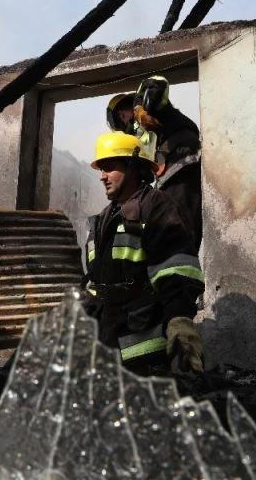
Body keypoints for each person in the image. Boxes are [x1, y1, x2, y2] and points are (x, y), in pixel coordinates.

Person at [84, 131, 204, 376]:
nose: (102, 176)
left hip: (145, 351)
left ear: (133, 167)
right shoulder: (105, 218)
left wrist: (179, 319)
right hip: (107, 345)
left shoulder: (158, 207)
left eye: (108, 167)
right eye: (100, 169)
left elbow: (177, 270)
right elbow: (95, 282)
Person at [133, 75, 202, 250]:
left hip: (181, 156)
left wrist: (150, 96)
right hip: (170, 166)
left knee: (179, 224)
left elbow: (157, 84)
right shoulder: (136, 130)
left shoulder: (161, 114)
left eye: (123, 111)